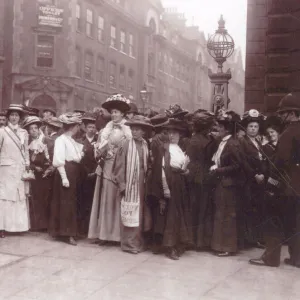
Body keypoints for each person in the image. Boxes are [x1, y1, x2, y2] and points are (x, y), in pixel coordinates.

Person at [250, 93, 300, 268]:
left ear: (292, 113)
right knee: (296, 222)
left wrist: (271, 185)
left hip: (285, 185)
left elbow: (279, 163)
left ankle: (270, 258)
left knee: (273, 220)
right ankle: (297, 258)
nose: (281, 116)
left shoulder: (288, 134)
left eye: (284, 113)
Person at [88, 94, 132, 244]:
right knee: (106, 199)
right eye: (112, 112)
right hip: (107, 164)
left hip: (120, 167)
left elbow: (130, 147)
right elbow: (99, 148)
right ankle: (104, 234)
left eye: (117, 112)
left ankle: (117, 236)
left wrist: (119, 150)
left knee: (117, 199)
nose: (114, 115)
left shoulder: (127, 128)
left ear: (123, 114)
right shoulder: (106, 128)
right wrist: (102, 149)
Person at [113, 115, 153, 254]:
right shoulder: (125, 144)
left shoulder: (145, 144)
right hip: (129, 181)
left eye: (138, 130)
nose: (135, 132)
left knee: (140, 212)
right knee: (129, 210)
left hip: (141, 181)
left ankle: (138, 241)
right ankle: (129, 244)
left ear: (143, 132)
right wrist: (122, 184)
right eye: (133, 129)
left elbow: (147, 164)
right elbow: (119, 166)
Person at [209, 110, 245, 256]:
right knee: (221, 214)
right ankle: (221, 246)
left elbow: (237, 166)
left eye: (220, 128)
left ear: (227, 129)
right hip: (222, 183)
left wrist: (218, 170)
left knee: (227, 215)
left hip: (228, 184)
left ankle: (227, 247)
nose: (218, 130)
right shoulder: (223, 142)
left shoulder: (232, 144)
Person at [158, 118, 191, 260]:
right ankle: (170, 246)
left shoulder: (179, 149)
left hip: (179, 182)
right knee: (171, 214)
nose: (172, 136)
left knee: (179, 213)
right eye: (170, 133)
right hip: (170, 181)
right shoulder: (165, 148)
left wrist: (186, 171)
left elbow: (182, 167)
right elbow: (162, 169)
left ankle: (179, 243)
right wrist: (165, 188)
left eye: (175, 134)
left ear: (180, 135)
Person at [48, 113, 84, 246]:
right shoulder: (61, 140)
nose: (78, 129)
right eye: (77, 126)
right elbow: (59, 160)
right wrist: (64, 177)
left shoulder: (72, 140)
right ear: (73, 127)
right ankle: (66, 233)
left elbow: (77, 157)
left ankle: (69, 231)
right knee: (65, 203)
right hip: (66, 172)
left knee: (71, 202)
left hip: (74, 172)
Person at [186, 110, 217, 251]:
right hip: (205, 177)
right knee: (204, 209)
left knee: (194, 208)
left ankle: (193, 239)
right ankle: (201, 240)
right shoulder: (209, 141)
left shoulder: (193, 140)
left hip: (194, 177)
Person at [0, 104, 30, 238]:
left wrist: (27, 164)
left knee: (19, 196)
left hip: (20, 168)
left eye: (16, 115)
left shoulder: (24, 132)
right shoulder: (2, 131)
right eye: (11, 115)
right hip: (6, 168)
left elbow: (26, 151)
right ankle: (2, 227)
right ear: (7, 117)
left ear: (20, 118)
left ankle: (19, 227)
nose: (14, 118)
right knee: (5, 196)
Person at [239, 109, 267, 248]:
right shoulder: (242, 142)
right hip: (248, 180)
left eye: (255, 126)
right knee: (247, 208)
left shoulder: (258, 142)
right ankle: (247, 239)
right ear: (246, 128)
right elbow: (243, 161)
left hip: (259, 181)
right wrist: (254, 175)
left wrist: (262, 174)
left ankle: (255, 238)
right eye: (251, 126)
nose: (253, 129)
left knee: (257, 208)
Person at [23, 116, 51, 231]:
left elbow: (51, 158)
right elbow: (27, 160)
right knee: (36, 199)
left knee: (46, 198)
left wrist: (46, 167)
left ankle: (47, 225)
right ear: (28, 132)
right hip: (35, 175)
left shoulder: (45, 141)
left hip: (46, 174)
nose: (34, 131)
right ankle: (37, 225)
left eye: (35, 128)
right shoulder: (29, 145)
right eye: (31, 129)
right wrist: (34, 167)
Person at [78, 112, 98, 237]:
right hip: (83, 175)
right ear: (85, 128)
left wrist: (95, 171)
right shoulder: (80, 141)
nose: (92, 129)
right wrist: (86, 172)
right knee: (82, 202)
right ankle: (81, 229)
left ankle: (90, 229)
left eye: (94, 127)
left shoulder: (98, 142)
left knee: (92, 203)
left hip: (94, 175)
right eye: (89, 127)